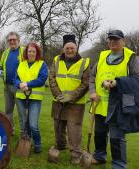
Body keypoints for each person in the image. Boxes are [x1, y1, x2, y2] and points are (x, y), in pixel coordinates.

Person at [90, 29, 139, 169]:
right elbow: (92, 77)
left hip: (119, 105)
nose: (113, 42)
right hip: (100, 103)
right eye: (110, 39)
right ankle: (99, 156)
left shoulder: (132, 58)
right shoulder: (102, 56)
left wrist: (117, 82)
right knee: (99, 133)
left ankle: (118, 164)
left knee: (116, 136)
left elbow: (138, 80)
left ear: (123, 41)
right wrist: (93, 91)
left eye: (116, 39)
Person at [48, 35, 89, 164]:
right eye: (67, 48)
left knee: (74, 129)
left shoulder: (84, 62)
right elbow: (52, 78)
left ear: (76, 48)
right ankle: (60, 145)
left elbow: (86, 83)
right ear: (63, 48)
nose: (69, 50)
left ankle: (76, 153)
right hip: (59, 100)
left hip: (76, 103)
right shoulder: (56, 60)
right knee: (58, 126)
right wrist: (58, 95)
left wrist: (72, 96)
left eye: (72, 48)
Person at [14, 42, 48, 153]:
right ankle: (26, 141)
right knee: (23, 122)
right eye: (29, 51)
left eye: (33, 51)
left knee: (33, 124)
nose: (31, 53)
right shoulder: (21, 64)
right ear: (26, 52)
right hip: (20, 97)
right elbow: (15, 79)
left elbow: (42, 79)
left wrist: (27, 84)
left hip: (35, 98)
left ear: (37, 52)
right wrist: (19, 84)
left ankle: (37, 143)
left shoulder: (42, 64)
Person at [0, 32, 24, 135]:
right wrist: (0, 71)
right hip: (7, 86)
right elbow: (0, 66)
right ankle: (10, 129)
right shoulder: (5, 53)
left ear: (18, 40)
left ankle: (24, 132)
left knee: (22, 111)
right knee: (8, 110)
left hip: (20, 87)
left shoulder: (24, 51)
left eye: (14, 39)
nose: (12, 42)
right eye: (10, 40)